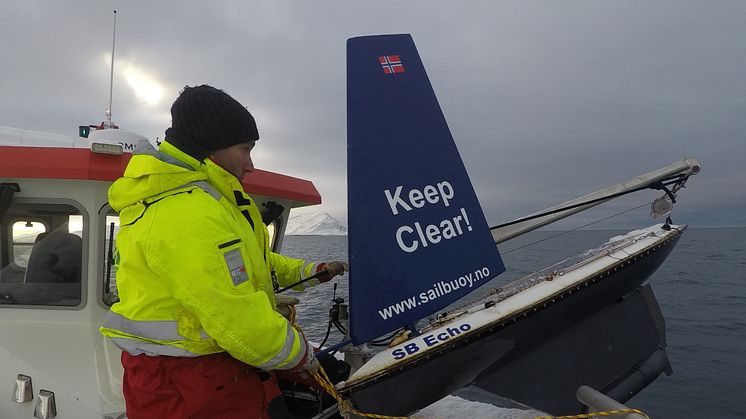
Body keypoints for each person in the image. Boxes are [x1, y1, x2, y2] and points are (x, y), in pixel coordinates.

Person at [100, 85, 348, 419]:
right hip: (184, 384)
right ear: (210, 146)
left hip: (209, 372)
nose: (250, 164)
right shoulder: (187, 213)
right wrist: (302, 355)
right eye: (244, 149)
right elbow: (234, 316)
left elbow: (249, 265)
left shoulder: (206, 201)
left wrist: (313, 271)